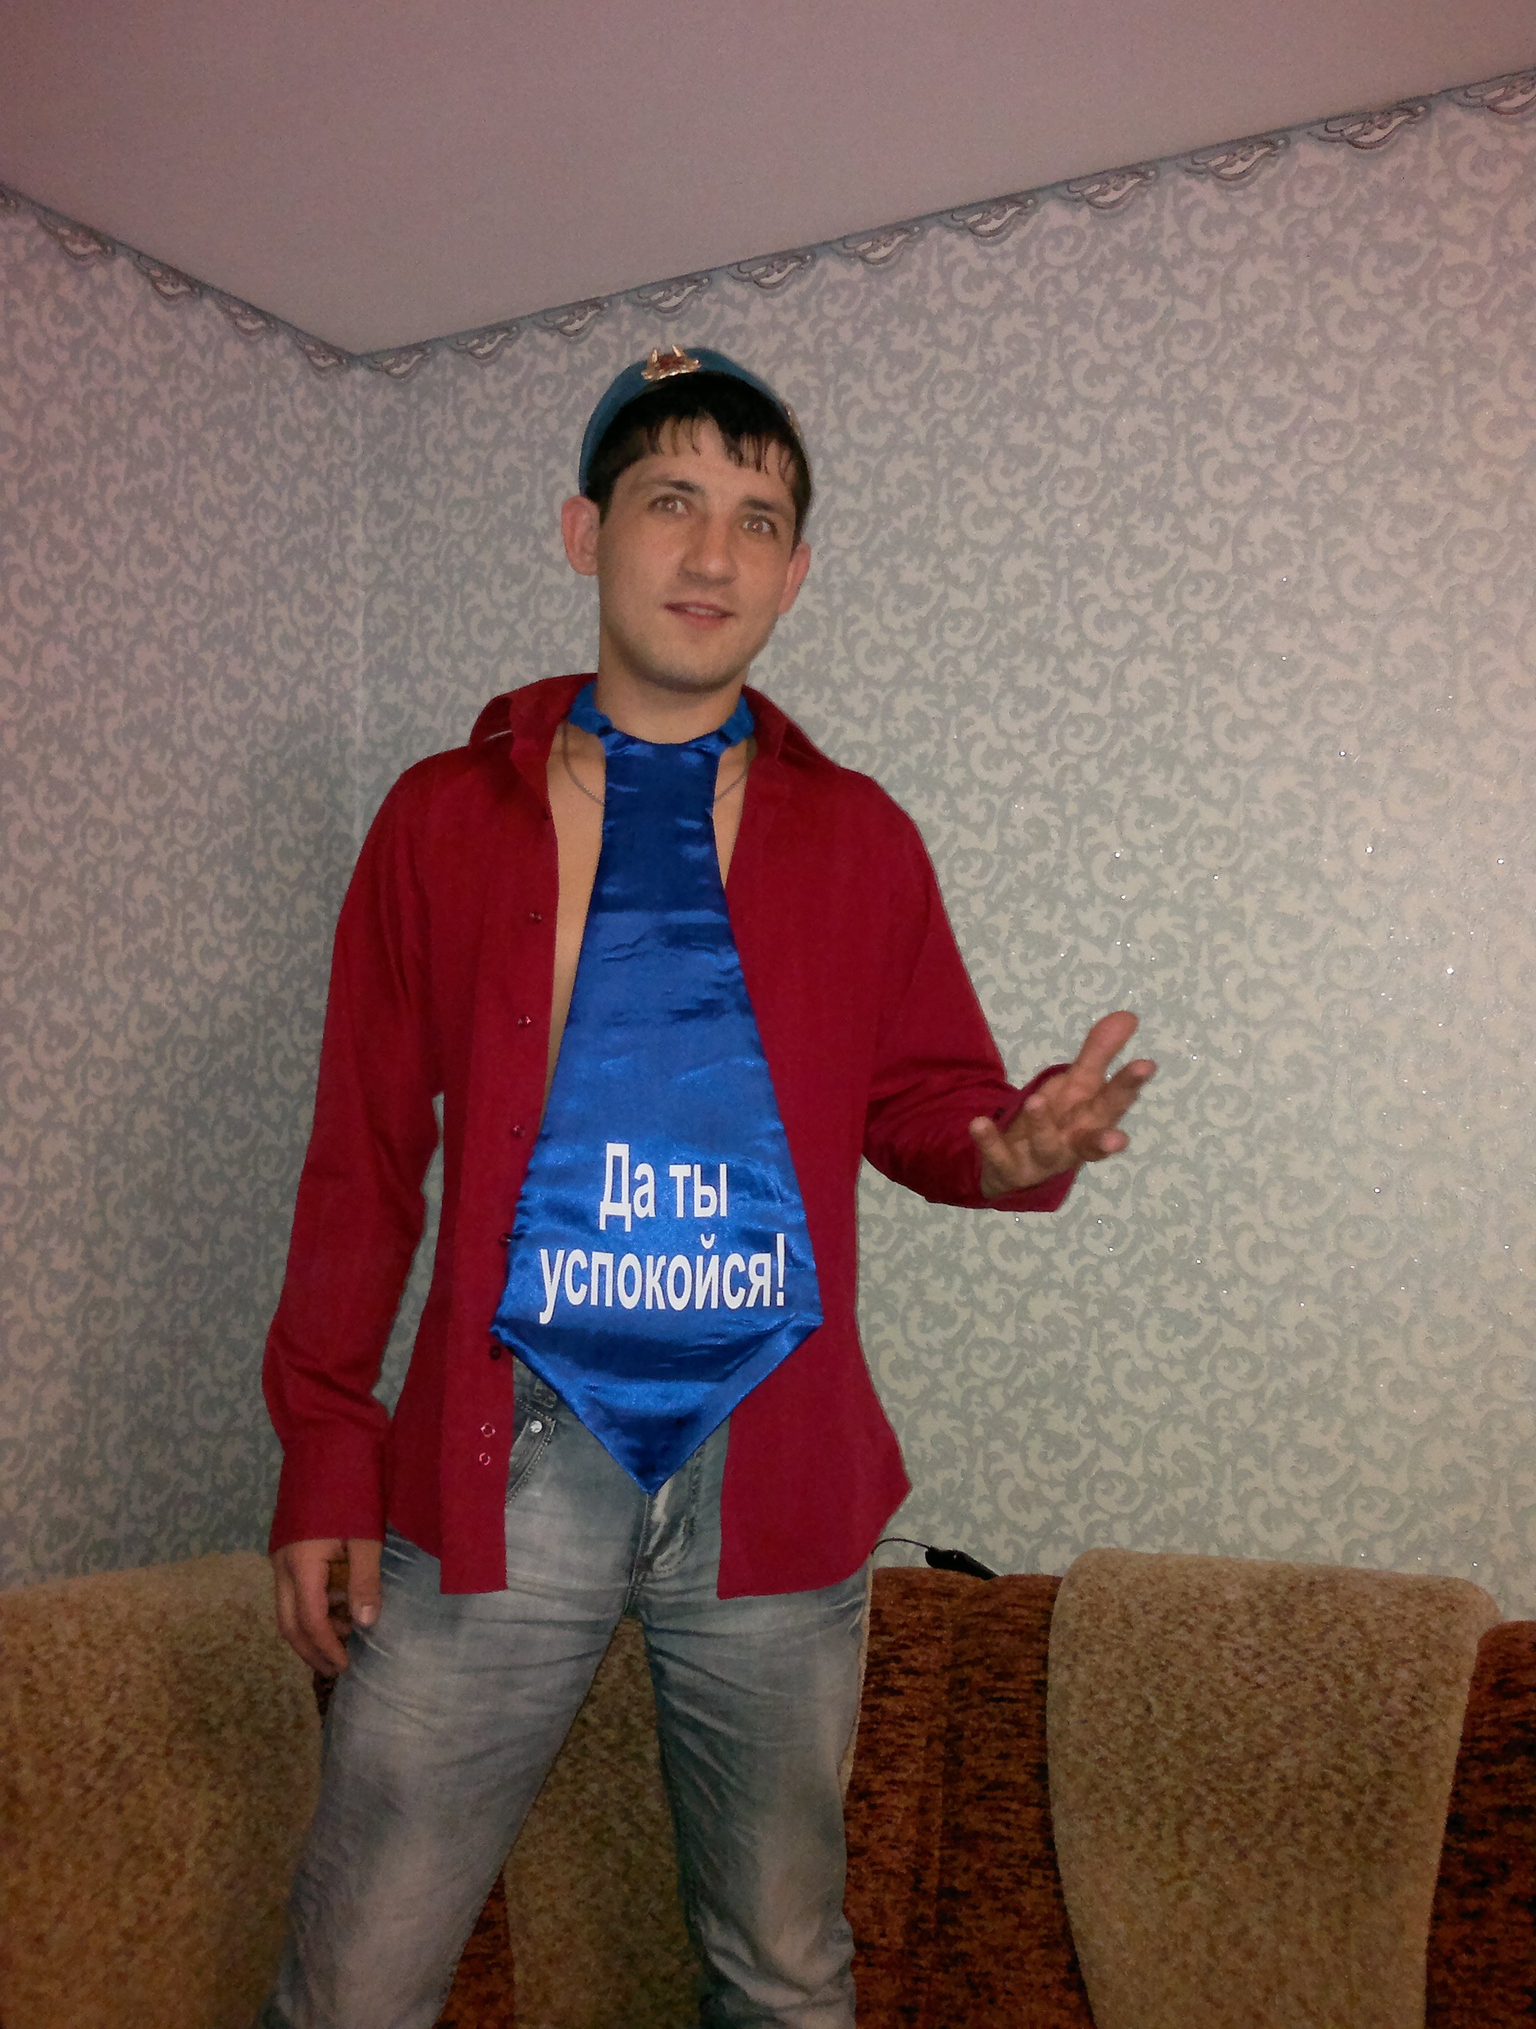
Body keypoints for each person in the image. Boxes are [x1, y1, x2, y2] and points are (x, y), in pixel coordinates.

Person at [260, 344, 1154, 2029]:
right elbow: (363, 1157)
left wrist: (1011, 1146)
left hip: (775, 1453)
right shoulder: (440, 822)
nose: (712, 553)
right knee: (357, 1973)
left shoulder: (860, 838)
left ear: (796, 574)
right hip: (503, 1442)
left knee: (786, 1969)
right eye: (672, 500)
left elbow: (926, 1105)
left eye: (756, 520)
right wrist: (324, 1444)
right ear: (584, 532)